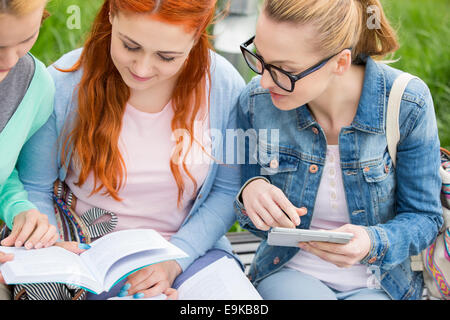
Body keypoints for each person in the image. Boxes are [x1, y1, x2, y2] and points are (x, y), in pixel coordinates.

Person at [18, 0, 246, 300]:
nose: (142, 69)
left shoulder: (222, 85)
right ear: (111, 14)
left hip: (190, 252)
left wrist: (176, 260)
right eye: (130, 46)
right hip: (90, 259)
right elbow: (35, 185)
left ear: (198, 35)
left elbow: (228, 189)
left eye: (166, 56)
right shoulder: (63, 83)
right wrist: (60, 254)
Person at [234, 0, 443, 300]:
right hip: (290, 271)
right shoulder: (256, 101)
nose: (265, 80)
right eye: (260, 58)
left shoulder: (406, 103)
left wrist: (370, 243)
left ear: (340, 63)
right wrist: (250, 192)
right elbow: (247, 212)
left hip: (380, 282)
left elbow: (425, 218)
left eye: (285, 71)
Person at [0, 0, 59, 300]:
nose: (10, 61)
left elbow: (4, 171)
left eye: (26, 39)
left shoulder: (35, 86)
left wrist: (19, 208)